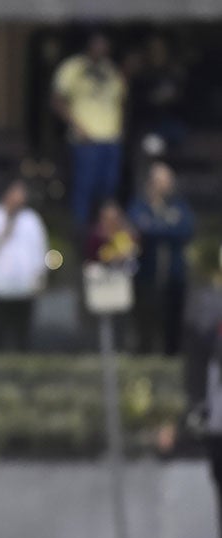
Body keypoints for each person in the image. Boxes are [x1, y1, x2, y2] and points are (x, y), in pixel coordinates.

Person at [52, 32, 127, 227]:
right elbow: (57, 100)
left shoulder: (111, 70)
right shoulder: (73, 68)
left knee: (109, 190)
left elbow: (121, 100)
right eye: (97, 44)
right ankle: (81, 236)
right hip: (85, 140)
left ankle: (105, 235)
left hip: (110, 139)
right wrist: (77, 126)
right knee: (84, 190)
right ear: (89, 45)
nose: (101, 48)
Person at [0, 179, 49, 352]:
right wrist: (3, 232)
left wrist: (41, 276)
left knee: (24, 333)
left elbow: (40, 250)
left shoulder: (31, 219)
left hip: (26, 286)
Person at [128, 161, 193, 356]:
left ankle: (172, 353)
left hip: (174, 272)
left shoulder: (179, 206)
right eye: (160, 180)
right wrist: (165, 228)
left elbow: (185, 229)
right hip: (146, 271)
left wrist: (156, 228)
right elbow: (138, 228)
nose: (164, 185)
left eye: (167, 180)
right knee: (145, 315)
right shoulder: (140, 205)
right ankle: (144, 353)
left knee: (173, 316)